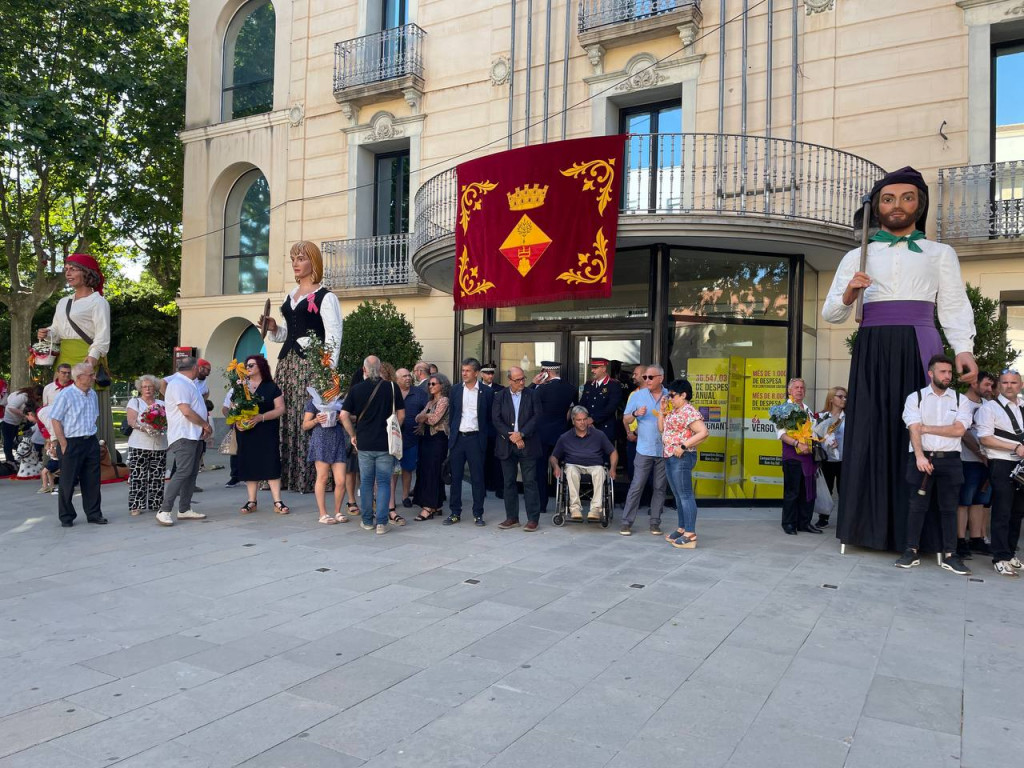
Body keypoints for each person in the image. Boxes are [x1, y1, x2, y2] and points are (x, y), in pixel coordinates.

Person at [823, 167, 977, 552]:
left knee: (918, 431)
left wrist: (963, 349)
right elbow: (831, 314)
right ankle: (867, 529)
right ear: (877, 207)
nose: (897, 205)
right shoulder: (856, 255)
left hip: (919, 342)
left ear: (919, 204)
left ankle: (917, 536)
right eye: (888, 199)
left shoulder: (940, 253)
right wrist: (849, 294)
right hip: (872, 347)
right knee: (871, 431)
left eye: (907, 197)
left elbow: (955, 304)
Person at [259, 241, 343, 494]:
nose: (295, 263)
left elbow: (333, 335)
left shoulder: (326, 297)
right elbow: (289, 333)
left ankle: (310, 478)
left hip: (311, 365)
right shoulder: (289, 295)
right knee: (285, 414)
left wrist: (327, 371)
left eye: (301, 258)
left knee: (307, 417)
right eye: (293, 258)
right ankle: (282, 475)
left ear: (313, 263)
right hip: (287, 364)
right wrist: (274, 328)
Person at [893, 355, 974, 574]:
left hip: (950, 460)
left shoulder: (960, 400)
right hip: (921, 457)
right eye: (943, 372)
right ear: (931, 373)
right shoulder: (915, 398)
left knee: (949, 508)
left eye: (949, 372)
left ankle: (951, 555)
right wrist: (919, 456)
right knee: (916, 507)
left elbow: (959, 430)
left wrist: (926, 428)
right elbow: (913, 428)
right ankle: (911, 551)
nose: (948, 376)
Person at [37, 253, 116, 464]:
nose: (68, 272)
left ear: (87, 273)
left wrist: (91, 361)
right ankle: (60, 461)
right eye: (66, 269)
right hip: (64, 358)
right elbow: (58, 330)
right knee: (60, 405)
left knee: (85, 407)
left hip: (85, 357)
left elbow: (102, 336)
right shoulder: (63, 302)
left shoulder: (98, 302)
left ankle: (94, 461)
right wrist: (48, 333)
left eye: (73, 268)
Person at [341, 356, 404, 534]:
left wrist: (353, 435)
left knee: (367, 483)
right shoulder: (392, 387)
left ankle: (367, 521)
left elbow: (343, 415)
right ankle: (382, 523)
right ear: (380, 369)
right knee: (384, 482)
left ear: (364, 370)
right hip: (386, 443)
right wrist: (395, 433)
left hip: (364, 443)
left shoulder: (356, 390)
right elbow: (401, 414)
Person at [976, 369, 1024, 577]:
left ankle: (1011, 553)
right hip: (1002, 463)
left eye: (1013, 382)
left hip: (1021, 465)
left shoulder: (1022, 406)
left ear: (1020, 385)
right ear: (999, 386)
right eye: (1005, 382)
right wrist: (1014, 447)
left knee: (1017, 512)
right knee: (1002, 511)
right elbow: (984, 438)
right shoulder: (989, 409)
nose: (1009, 386)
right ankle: (1000, 557)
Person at [49, 362, 107, 527]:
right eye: (91, 375)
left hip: (90, 441)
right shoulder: (66, 395)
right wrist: (63, 443)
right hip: (71, 442)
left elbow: (93, 416)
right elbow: (55, 419)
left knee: (92, 480)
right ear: (80, 377)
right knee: (68, 481)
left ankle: (94, 514)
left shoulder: (93, 394)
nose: (94, 377)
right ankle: (66, 517)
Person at [156, 357, 212, 526]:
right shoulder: (179, 384)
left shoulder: (189, 383)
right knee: (182, 472)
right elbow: (186, 411)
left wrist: (202, 428)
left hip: (193, 435)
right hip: (183, 435)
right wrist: (204, 424)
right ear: (194, 367)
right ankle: (164, 510)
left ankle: (184, 509)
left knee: (191, 472)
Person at [234, 355, 289, 516]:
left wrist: (261, 417)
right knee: (249, 463)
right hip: (246, 432)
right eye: (246, 365)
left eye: (251, 365)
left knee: (270, 462)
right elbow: (230, 408)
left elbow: (280, 409)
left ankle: (277, 501)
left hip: (266, 430)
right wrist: (236, 420)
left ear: (261, 367)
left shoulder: (271, 387)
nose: (247, 367)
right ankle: (252, 501)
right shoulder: (240, 386)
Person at [658, 379, 708, 548]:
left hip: (681, 457)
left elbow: (703, 432)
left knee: (685, 494)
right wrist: (661, 411)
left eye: (672, 395)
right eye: (669, 395)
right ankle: (682, 528)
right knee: (678, 495)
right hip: (670, 455)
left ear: (683, 395)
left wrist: (683, 446)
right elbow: (661, 429)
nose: (669, 398)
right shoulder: (675, 411)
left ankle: (690, 533)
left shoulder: (688, 411)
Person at [444, 357, 493, 526]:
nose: (463, 373)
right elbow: (453, 415)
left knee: (477, 478)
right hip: (458, 439)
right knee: (455, 477)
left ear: (476, 373)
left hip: (476, 439)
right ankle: (454, 512)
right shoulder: (456, 390)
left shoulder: (486, 392)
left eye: (467, 371)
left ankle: (478, 513)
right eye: (462, 370)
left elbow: (489, 418)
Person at [619, 365, 668, 536]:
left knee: (660, 487)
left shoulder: (669, 396)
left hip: (663, 449)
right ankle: (626, 522)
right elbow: (625, 418)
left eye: (650, 377)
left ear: (660, 378)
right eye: (645, 377)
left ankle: (655, 523)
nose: (646, 380)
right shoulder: (637, 395)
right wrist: (636, 413)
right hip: (644, 448)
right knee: (636, 485)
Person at [493, 366, 542, 530]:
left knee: (530, 482)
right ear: (509, 380)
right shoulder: (500, 396)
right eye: (517, 380)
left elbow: (537, 417)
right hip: (506, 445)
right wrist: (512, 436)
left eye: (523, 378)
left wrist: (522, 434)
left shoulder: (532, 394)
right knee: (508, 482)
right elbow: (496, 419)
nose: (521, 382)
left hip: (528, 445)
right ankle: (512, 517)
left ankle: (533, 519)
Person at [551, 405, 618, 523]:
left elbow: (613, 452)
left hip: (594, 465)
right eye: (578, 420)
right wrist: (555, 466)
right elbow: (553, 456)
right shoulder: (565, 437)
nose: (582, 422)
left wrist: (613, 468)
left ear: (588, 419)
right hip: (574, 465)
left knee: (600, 471)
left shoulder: (599, 435)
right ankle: (575, 508)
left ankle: (596, 509)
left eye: (584, 419)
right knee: (570, 470)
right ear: (573, 421)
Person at [956, 371, 996, 560]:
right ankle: (959, 540)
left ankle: (977, 538)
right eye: (986, 385)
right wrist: (980, 453)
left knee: (980, 500)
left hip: (988, 461)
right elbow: (963, 433)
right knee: (964, 501)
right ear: (974, 384)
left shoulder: (989, 406)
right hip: (967, 461)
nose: (990, 389)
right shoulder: (961, 402)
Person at [531, 361, 578, 513]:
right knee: (565, 469)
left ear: (546, 372)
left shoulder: (541, 389)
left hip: (541, 435)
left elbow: (529, 403)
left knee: (540, 471)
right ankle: (567, 504)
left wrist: (534, 384)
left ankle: (541, 504)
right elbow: (573, 410)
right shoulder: (571, 388)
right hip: (561, 434)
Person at [777, 378, 818, 535]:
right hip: (793, 456)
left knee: (808, 491)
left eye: (802, 387)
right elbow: (781, 434)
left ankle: (804, 522)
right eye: (796, 387)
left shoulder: (807, 409)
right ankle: (788, 523)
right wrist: (797, 443)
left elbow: (813, 430)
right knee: (792, 492)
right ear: (789, 391)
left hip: (809, 457)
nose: (800, 390)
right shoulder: (783, 409)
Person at [125, 375, 168, 516]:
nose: (147, 389)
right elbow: (132, 421)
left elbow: (168, 420)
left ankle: (156, 503)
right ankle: (136, 505)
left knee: (157, 475)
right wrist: (145, 428)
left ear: (155, 388)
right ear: (140, 389)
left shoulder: (162, 403)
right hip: (139, 444)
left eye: (150, 386)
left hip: (159, 444)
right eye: (144, 386)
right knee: (138, 476)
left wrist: (161, 426)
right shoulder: (135, 402)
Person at [302, 394, 348, 525]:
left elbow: (353, 418)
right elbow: (305, 425)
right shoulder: (313, 402)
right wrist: (316, 420)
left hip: (337, 440)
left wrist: (342, 418)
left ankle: (338, 511)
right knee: (322, 477)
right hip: (321, 441)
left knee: (341, 480)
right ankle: (323, 514)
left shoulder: (340, 401)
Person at [412, 373, 451, 520]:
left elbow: (434, 419)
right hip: (426, 438)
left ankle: (429, 506)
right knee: (425, 470)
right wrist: (425, 417)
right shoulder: (430, 401)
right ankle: (436, 505)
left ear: (442, 385)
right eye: (429, 384)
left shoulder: (444, 400)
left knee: (433, 471)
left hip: (438, 439)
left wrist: (425, 417)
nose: (430, 386)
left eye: (434, 384)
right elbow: (417, 417)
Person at [391, 367, 426, 516]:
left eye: (409, 376)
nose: (408, 378)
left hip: (411, 438)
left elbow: (428, 410)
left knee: (408, 468)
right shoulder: (390, 393)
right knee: (392, 470)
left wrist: (423, 424)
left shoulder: (419, 393)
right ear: (397, 379)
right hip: (393, 438)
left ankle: (405, 496)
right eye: (404, 376)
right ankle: (390, 499)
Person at [812, 386, 847, 528]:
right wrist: (827, 442)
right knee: (826, 489)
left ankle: (844, 519)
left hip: (844, 459)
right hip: (826, 459)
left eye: (845, 396)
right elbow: (814, 436)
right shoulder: (820, 417)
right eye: (840, 396)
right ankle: (824, 517)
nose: (844, 399)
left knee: (843, 489)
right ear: (831, 399)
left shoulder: (849, 417)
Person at [579, 357, 623, 445]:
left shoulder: (613, 385)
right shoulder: (589, 384)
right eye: (592, 367)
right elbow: (582, 404)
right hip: (587, 427)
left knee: (604, 457)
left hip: (604, 429)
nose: (592, 370)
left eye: (595, 368)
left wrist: (593, 419)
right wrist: (585, 420)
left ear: (603, 368)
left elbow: (611, 407)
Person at [480, 363, 504, 497]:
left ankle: (498, 487)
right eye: (487, 373)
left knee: (497, 460)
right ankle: (483, 487)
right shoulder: (477, 388)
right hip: (482, 429)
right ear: (482, 374)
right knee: (482, 460)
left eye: (492, 373)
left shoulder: (500, 389)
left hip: (496, 430)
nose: (490, 376)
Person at [2, 385, 40, 463]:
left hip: (16, 422)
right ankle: (9, 460)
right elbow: (10, 407)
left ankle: (14, 459)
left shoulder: (28, 398)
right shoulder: (23, 397)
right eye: (38, 397)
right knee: (8, 442)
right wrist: (25, 415)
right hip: (8, 422)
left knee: (13, 440)